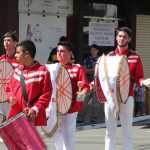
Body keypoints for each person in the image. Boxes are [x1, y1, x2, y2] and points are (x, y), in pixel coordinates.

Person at [104, 27, 144, 150]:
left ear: (129, 39)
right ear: (116, 37)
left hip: (127, 97)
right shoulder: (108, 57)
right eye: (120, 36)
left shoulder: (135, 57)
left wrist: (144, 82)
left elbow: (139, 77)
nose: (122, 39)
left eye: (125, 36)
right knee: (109, 131)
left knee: (127, 131)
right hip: (110, 97)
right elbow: (102, 77)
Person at [6, 40, 52, 126]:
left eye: (17, 52)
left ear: (26, 54)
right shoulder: (17, 71)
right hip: (17, 117)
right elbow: (9, 88)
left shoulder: (42, 71)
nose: (15, 55)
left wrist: (35, 109)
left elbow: (46, 94)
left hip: (34, 118)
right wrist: (10, 98)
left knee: (33, 140)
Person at [53, 41, 90, 150]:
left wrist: (83, 93)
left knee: (68, 137)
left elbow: (86, 86)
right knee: (57, 135)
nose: (59, 53)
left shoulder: (77, 69)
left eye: (62, 51)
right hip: (56, 107)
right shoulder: (52, 69)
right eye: (58, 51)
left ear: (70, 54)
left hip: (71, 107)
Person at [78, 44, 100, 124]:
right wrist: (92, 70)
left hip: (97, 84)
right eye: (91, 50)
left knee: (95, 104)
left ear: (97, 51)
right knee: (83, 101)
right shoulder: (87, 59)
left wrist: (90, 70)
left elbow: (99, 72)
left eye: (94, 50)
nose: (92, 51)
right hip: (87, 84)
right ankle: (80, 118)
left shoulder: (100, 60)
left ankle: (94, 119)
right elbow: (84, 70)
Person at [0, 31, 18, 118]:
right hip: (1, 97)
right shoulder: (1, 59)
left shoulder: (19, 59)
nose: (6, 42)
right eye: (4, 40)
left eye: (8, 40)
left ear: (15, 43)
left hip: (14, 98)